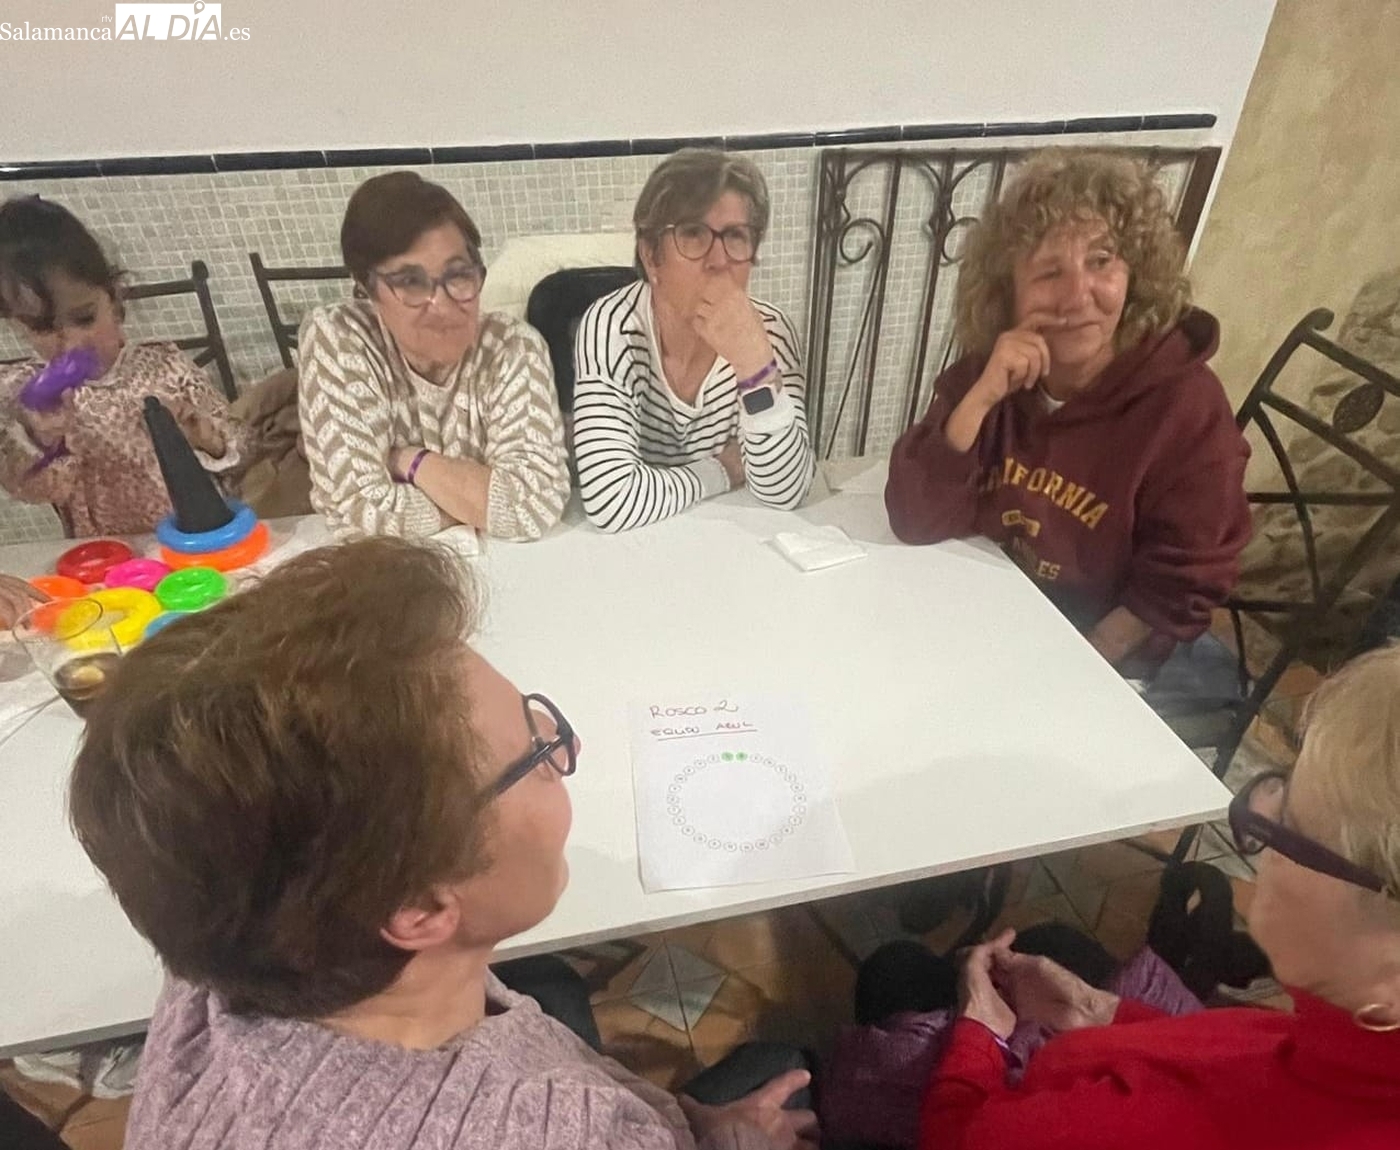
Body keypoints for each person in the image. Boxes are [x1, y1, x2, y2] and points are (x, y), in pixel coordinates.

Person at [69, 537, 817, 1149]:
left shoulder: (221, 946)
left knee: (551, 989)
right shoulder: (573, 1133)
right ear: (421, 907)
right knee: (786, 1060)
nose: (567, 748)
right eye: (536, 753)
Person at [911, 644, 1400, 1149]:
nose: (1261, 832)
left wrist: (981, 1034)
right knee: (1052, 941)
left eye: (1288, 830)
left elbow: (959, 1135)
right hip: (1113, 1048)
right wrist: (1099, 1012)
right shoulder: (1357, 1049)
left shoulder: (1139, 1128)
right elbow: (1253, 1058)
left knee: (898, 971)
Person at [885, 151, 1250, 673]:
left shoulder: (1186, 408)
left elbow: (1181, 581)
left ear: (1135, 274)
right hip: (995, 615)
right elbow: (914, 519)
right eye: (1049, 272)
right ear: (1008, 293)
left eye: (1101, 262)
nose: (1077, 296)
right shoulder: (990, 371)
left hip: (1110, 653)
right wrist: (981, 398)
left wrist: (1074, 665)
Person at [298, 172, 569, 541]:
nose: (441, 305)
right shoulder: (340, 336)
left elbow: (534, 507)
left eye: (458, 275)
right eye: (410, 282)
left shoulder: (512, 346)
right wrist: (479, 506)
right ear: (366, 289)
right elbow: (357, 512)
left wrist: (407, 460)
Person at [573, 149, 815, 532]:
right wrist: (722, 470)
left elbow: (785, 492)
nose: (719, 260)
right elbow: (610, 501)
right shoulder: (611, 326)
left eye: (735, 236)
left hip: (731, 539)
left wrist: (755, 369)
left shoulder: (771, 332)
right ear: (651, 256)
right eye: (693, 234)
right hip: (638, 543)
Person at [0, 196, 252, 536]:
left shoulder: (164, 366)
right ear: (18, 326)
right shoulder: (26, 396)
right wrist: (44, 440)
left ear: (115, 299)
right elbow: (37, 488)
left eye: (85, 318)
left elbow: (242, 449)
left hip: (194, 540)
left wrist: (207, 438)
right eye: (43, 328)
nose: (72, 344)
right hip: (107, 554)